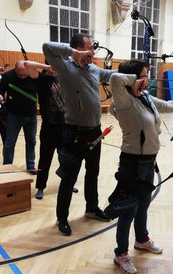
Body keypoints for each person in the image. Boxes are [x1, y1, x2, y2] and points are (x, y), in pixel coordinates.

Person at [107, 59, 173, 274]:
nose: (148, 79)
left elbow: (167, 106)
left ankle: (141, 239)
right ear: (134, 78)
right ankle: (120, 254)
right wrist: (136, 80)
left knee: (143, 204)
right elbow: (114, 78)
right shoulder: (124, 101)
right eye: (144, 75)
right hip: (132, 163)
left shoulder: (146, 97)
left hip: (149, 161)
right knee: (128, 209)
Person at [43, 33, 116, 236]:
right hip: (74, 133)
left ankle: (92, 208)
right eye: (89, 48)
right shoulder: (65, 67)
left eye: (93, 48)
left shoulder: (93, 69)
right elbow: (47, 47)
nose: (93, 52)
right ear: (77, 48)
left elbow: (112, 76)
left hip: (95, 131)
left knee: (93, 172)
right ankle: (62, 218)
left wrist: (135, 74)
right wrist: (73, 53)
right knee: (69, 178)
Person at [23, 60, 78, 200]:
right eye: (53, 65)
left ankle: (68, 183)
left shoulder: (63, 78)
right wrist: (46, 67)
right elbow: (26, 64)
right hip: (49, 126)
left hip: (65, 126)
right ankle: (40, 187)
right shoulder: (41, 79)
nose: (55, 68)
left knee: (66, 158)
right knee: (45, 159)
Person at [0, 61, 38, 174]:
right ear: (15, 71)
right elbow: (0, 90)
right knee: (9, 143)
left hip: (31, 115)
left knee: (31, 141)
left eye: (25, 75)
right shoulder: (7, 76)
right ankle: (7, 167)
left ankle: (30, 165)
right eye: (20, 75)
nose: (23, 77)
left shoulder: (34, 76)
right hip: (13, 115)